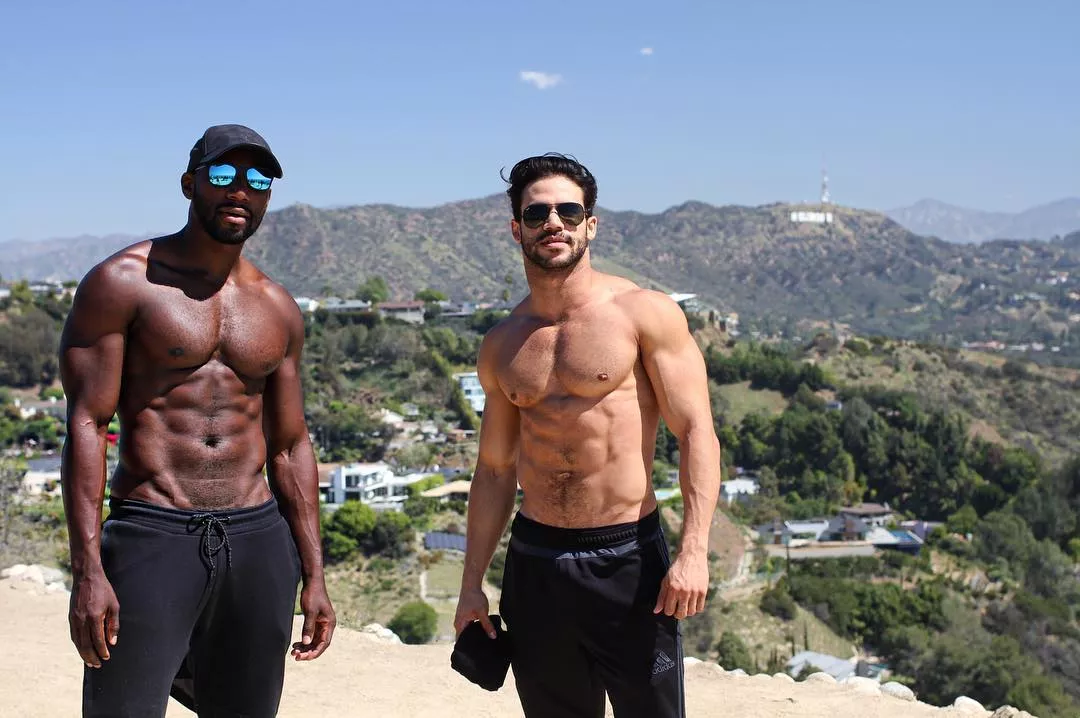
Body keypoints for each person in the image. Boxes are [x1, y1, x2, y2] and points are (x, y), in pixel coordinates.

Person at [59, 123, 336, 717]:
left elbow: (290, 446)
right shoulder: (123, 283)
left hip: (257, 539)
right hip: (154, 532)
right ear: (189, 184)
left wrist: (313, 572)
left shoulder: (278, 307)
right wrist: (87, 568)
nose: (241, 189)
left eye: (258, 180)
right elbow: (87, 424)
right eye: (222, 174)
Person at [453, 153, 722, 718]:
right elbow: (496, 470)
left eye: (568, 210)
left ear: (589, 224)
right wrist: (472, 582)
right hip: (536, 563)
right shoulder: (502, 344)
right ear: (516, 229)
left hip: (626, 558)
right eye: (537, 213)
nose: (553, 222)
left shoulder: (644, 314)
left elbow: (696, 430)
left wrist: (695, 551)